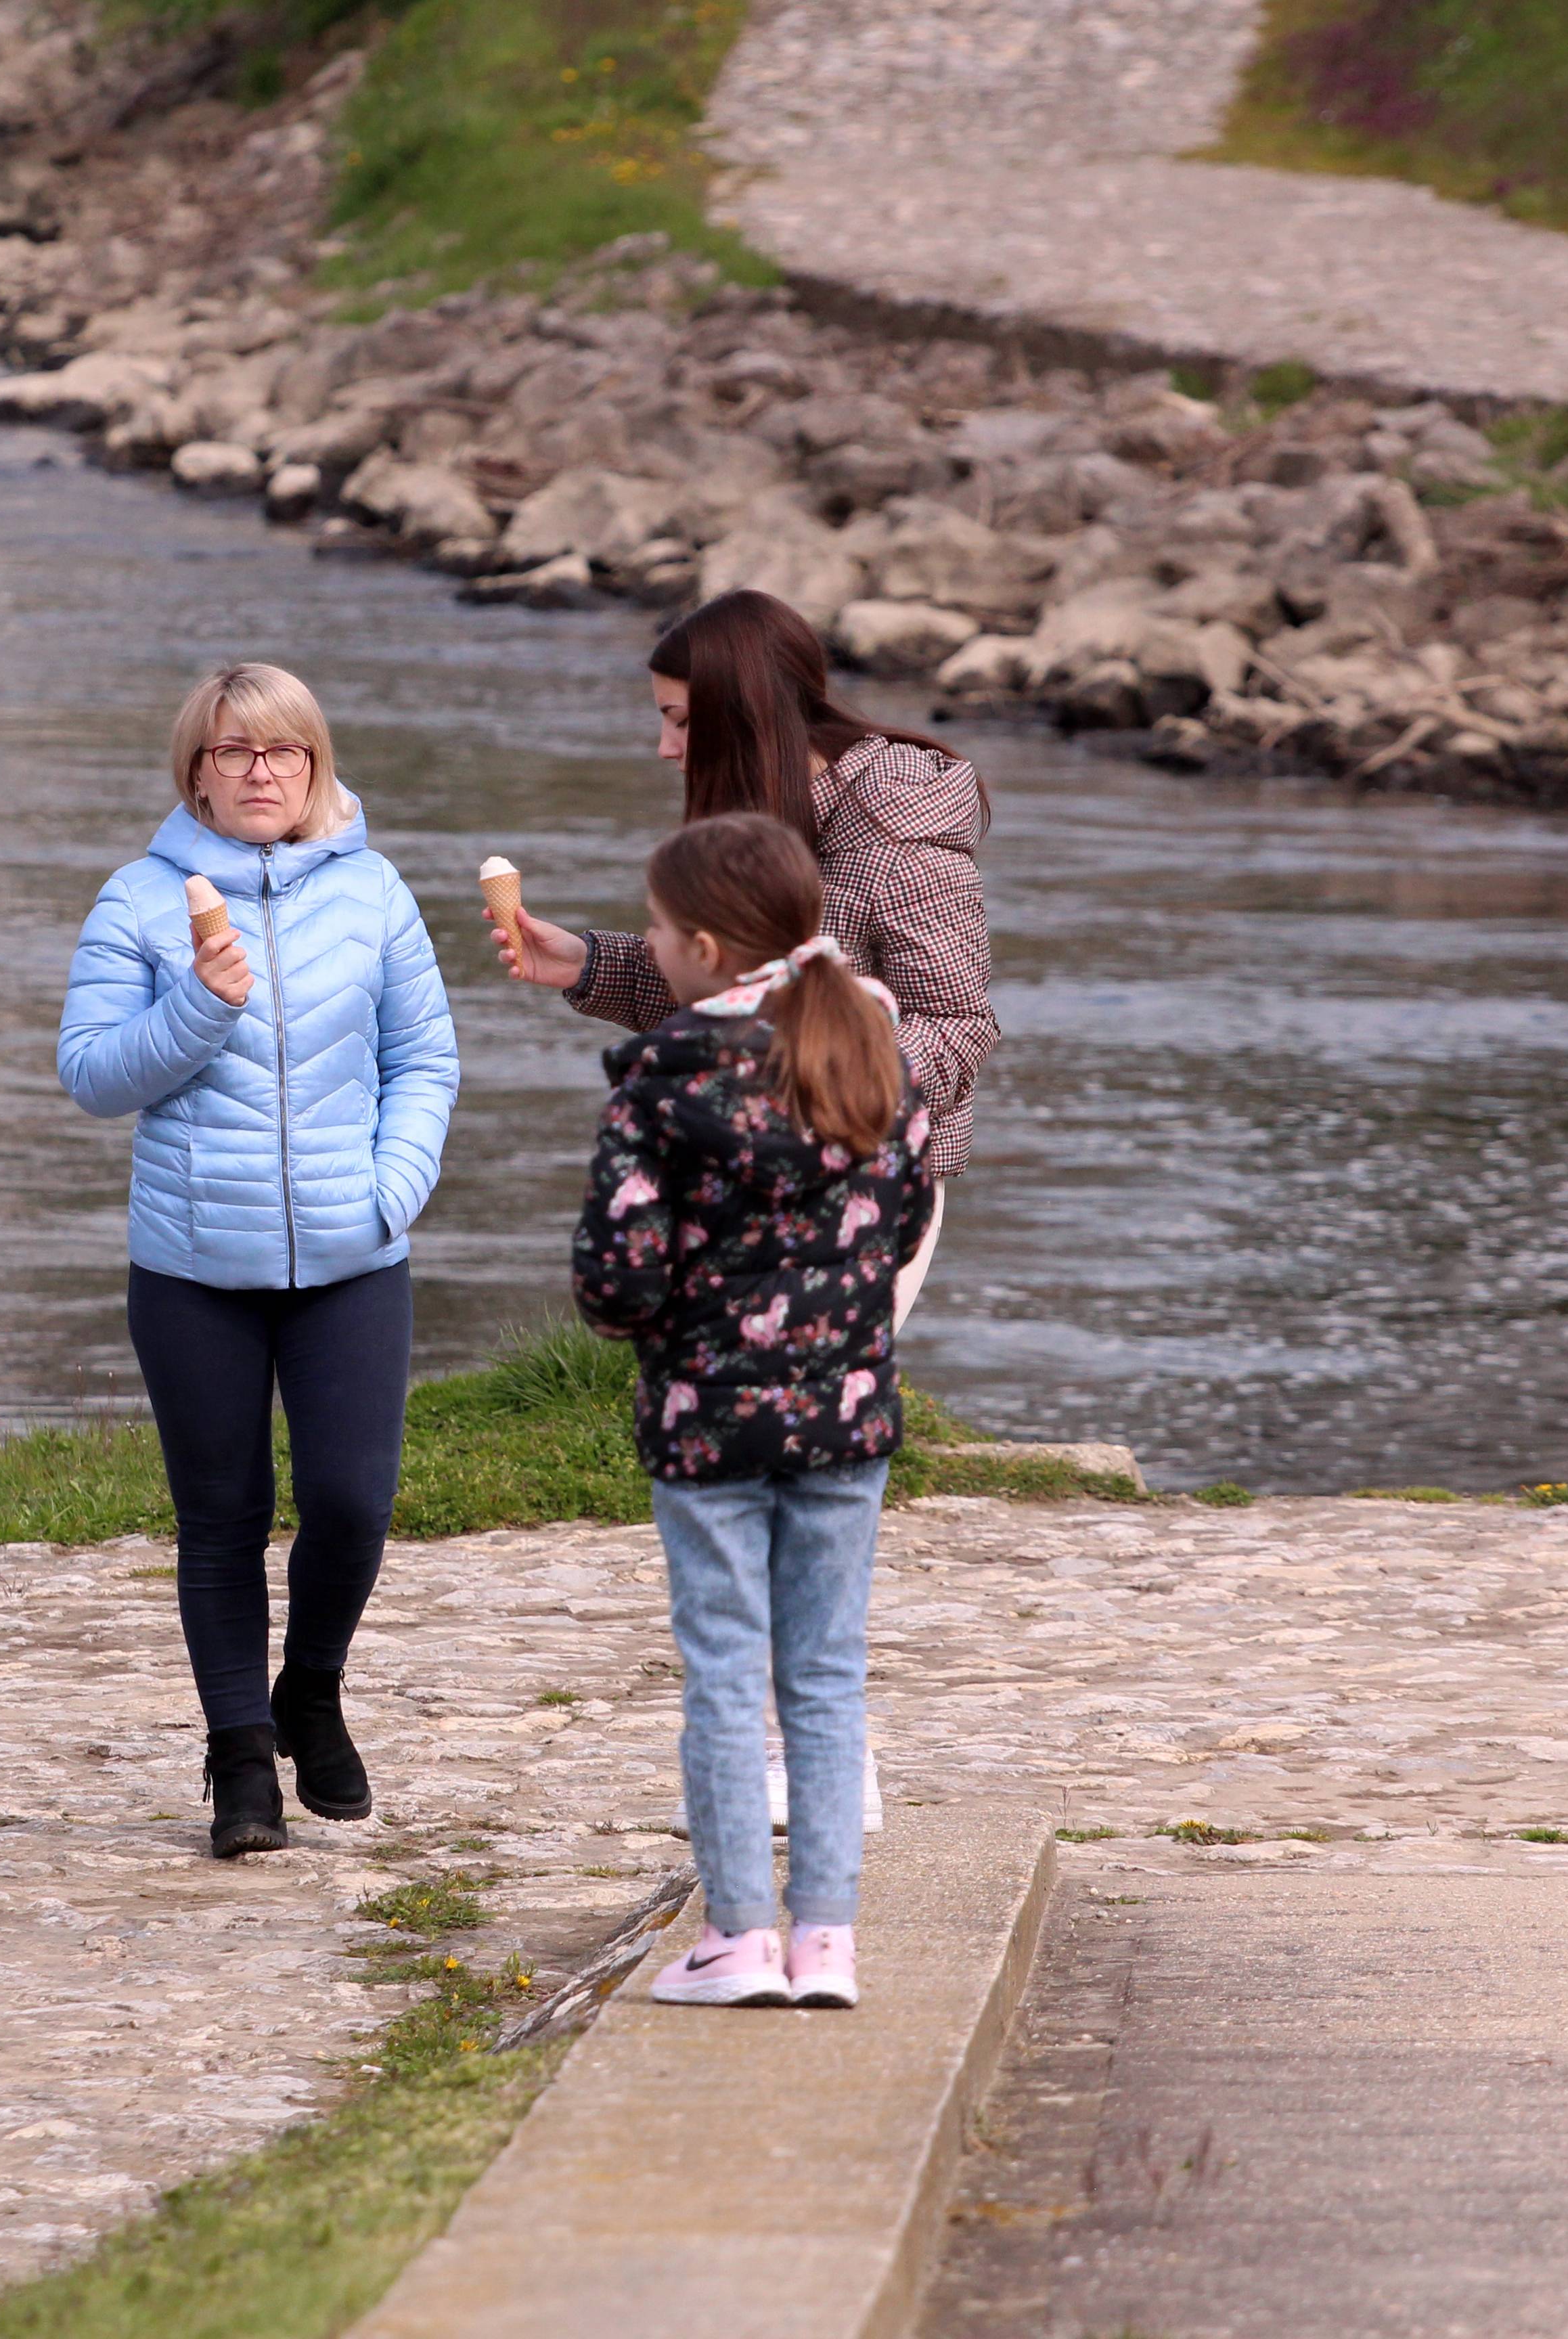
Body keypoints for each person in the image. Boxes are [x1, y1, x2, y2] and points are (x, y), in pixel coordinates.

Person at [58, 663, 460, 1860]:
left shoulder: (374, 892)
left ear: (314, 765)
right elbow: (88, 1075)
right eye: (232, 753)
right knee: (220, 1518)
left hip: (352, 1257)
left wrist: (388, 1192)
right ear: (194, 771)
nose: (259, 773)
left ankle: (310, 1690)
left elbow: (423, 1061)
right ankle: (239, 1757)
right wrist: (198, 1006)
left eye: (282, 751)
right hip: (190, 1267)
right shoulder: (136, 901)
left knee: (350, 1501)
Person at [570, 812, 933, 2010]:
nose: (650, 948)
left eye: (659, 932)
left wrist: (668, 1319)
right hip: (846, 1417)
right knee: (824, 1679)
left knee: (725, 1675)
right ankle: (824, 1941)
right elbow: (900, 1218)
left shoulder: (661, 1082)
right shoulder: (874, 1050)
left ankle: (735, 1940)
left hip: (705, 1428)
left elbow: (613, 1283)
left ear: (706, 948)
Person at [490, 587, 990, 1324]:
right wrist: (591, 965)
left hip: (865, 1172)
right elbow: (734, 987)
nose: (665, 748)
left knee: (806, 1404)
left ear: (743, 715)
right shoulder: (762, 808)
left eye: (681, 721)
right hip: (744, 1162)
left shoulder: (899, 836)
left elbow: (957, 1023)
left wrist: (813, 1105)